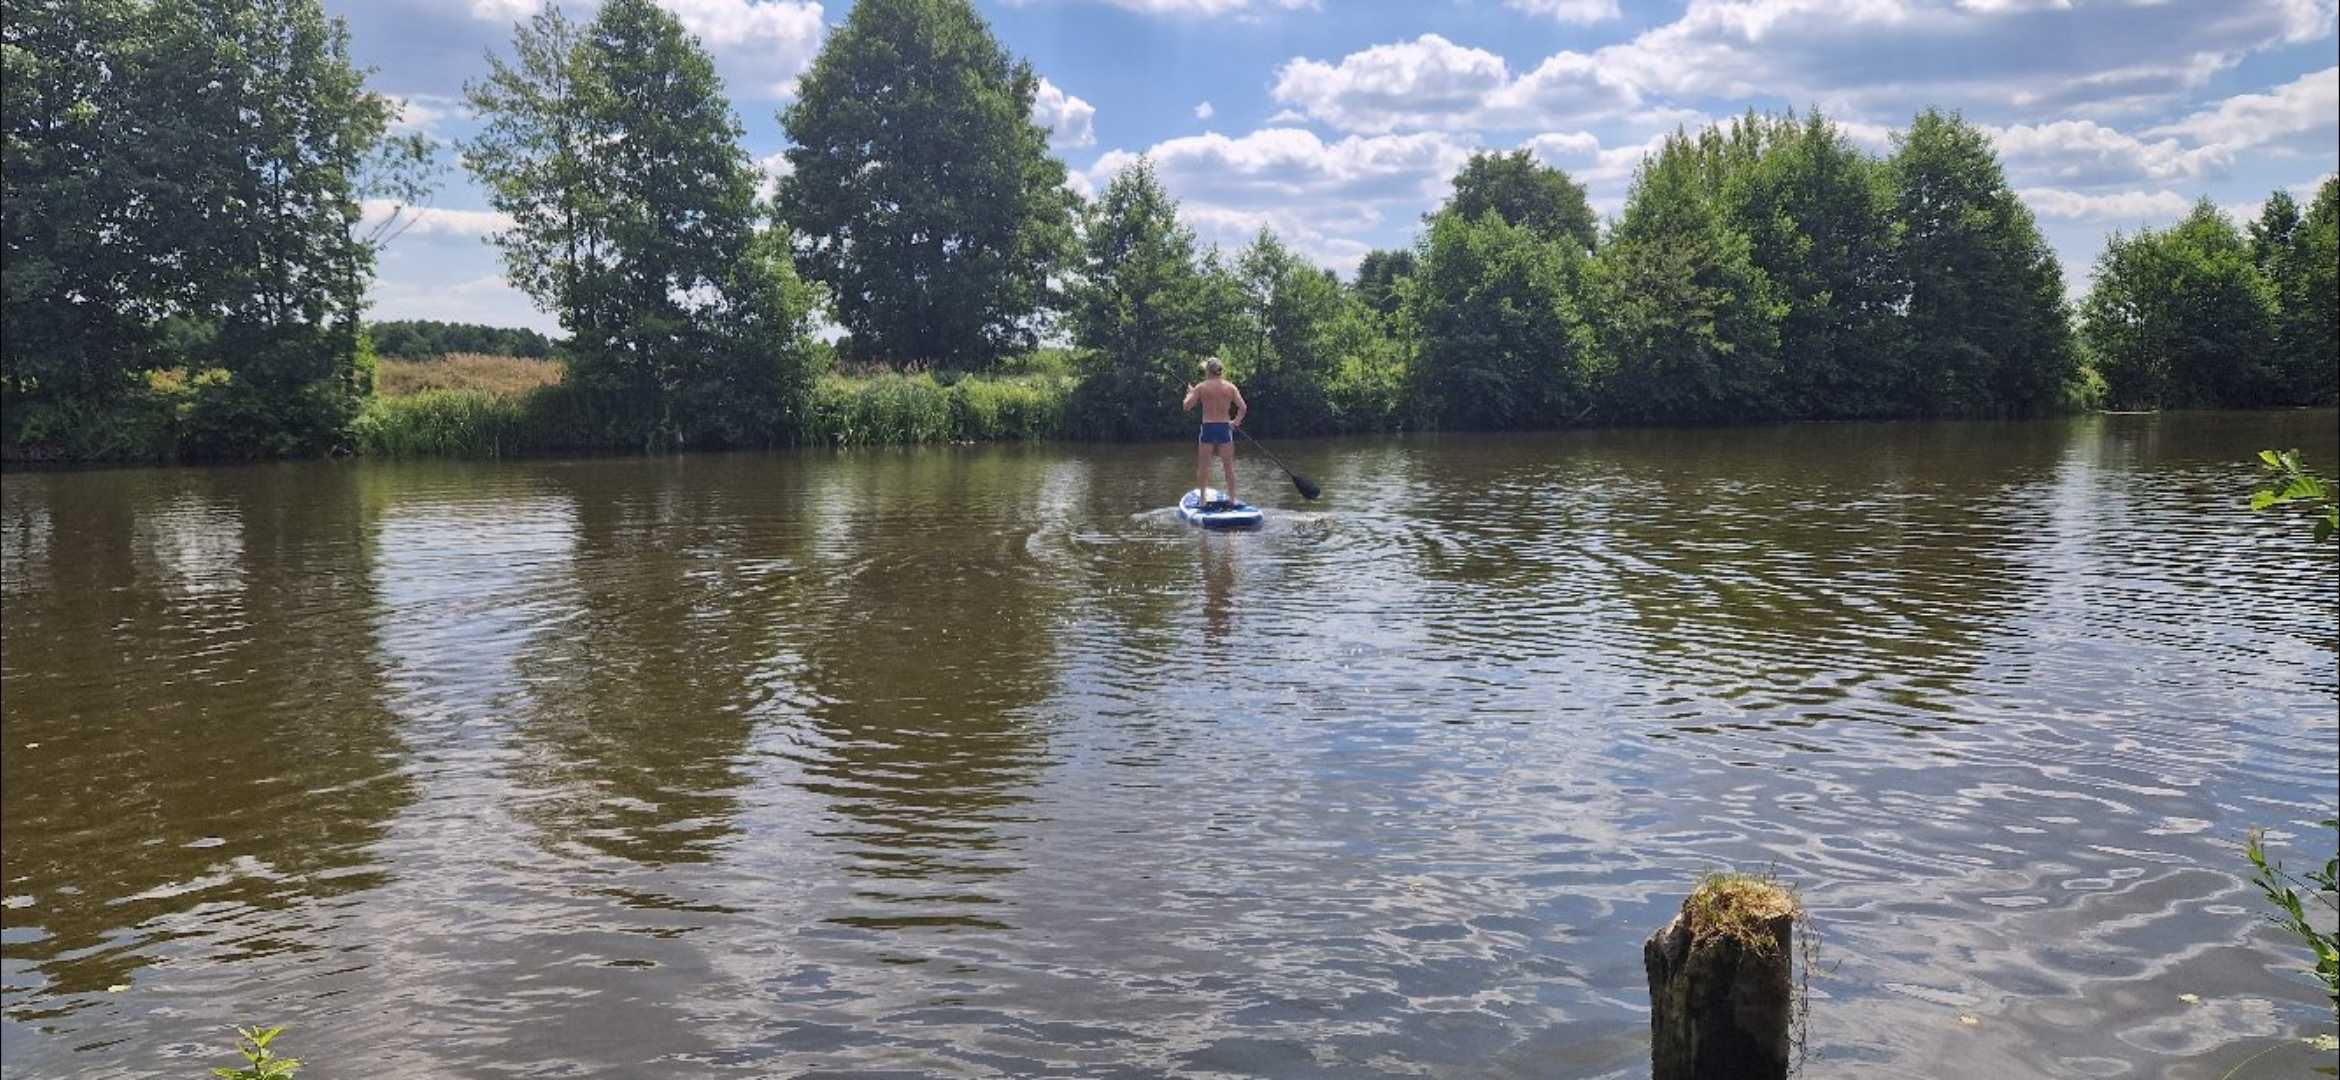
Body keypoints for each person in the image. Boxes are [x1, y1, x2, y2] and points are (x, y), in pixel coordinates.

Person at [1182, 357, 1247, 509]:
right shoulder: (1230, 387)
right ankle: (1232, 499)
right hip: (1224, 428)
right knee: (1228, 467)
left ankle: (1203, 501)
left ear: (1207, 371)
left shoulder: (1201, 387)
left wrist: (1189, 393)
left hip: (1208, 428)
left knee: (1204, 466)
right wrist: (1235, 422)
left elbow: (1186, 406)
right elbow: (1243, 408)